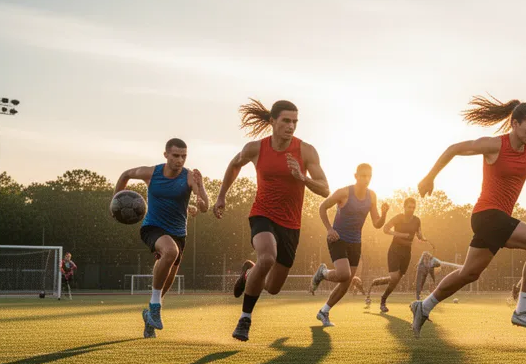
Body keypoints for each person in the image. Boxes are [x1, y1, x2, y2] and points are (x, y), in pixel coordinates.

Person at [411, 96, 526, 336]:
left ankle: (423, 306)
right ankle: (522, 310)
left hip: (495, 220)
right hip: (487, 214)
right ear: (515, 124)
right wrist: (429, 177)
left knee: (469, 273)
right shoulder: (494, 145)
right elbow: (454, 149)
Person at [213, 99, 330, 342]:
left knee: (274, 287)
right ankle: (245, 318)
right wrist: (222, 195)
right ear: (272, 121)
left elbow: (326, 189)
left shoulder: (306, 151)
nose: (291, 126)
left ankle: (248, 274)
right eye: (286, 120)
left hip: (291, 224)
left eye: (295, 121)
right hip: (262, 215)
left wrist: (303, 178)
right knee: (267, 257)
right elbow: (235, 165)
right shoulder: (255, 148)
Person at [114, 138, 210, 338]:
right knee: (170, 251)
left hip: (178, 233)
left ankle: (150, 314)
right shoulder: (152, 172)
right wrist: (115, 201)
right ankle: (155, 309)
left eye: (184, 156)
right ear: (166, 154)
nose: (180, 160)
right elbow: (126, 174)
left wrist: (200, 189)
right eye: (176, 155)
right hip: (152, 227)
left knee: (167, 279)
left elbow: (204, 207)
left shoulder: (190, 177)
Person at [309, 164, 388, 325]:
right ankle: (323, 273)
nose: (366, 179)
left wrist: (385, 213)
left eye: (369, 176)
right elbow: (322, 207)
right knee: (344, 274)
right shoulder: (344, 192)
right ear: (356, 176)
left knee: (346, 281)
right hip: (337, 238)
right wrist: (329, 229)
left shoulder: (372, 196)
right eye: (363, 176)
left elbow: (377, 223)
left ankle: (324, 312)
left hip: (355, 242)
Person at [363, 197, 431, 312]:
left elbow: (419, 234)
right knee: (394, 277)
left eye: (413, 207)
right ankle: (383, 300)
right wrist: (399, 234)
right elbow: (385, 229)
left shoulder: (417, 220)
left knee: (396, 279)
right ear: (404, 207)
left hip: (406, 252)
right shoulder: (398, 218)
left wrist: (423, 238)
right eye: (409, 207)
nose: (411, 209)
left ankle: (377, 283)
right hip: (394, 250)